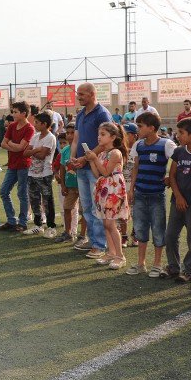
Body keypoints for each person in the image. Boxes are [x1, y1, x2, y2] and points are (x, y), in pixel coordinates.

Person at [126, 112, 176, 277]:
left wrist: (170, 177)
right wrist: (131, 188)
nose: (138, 129)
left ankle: (157, 264)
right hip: (140, 194)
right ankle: (141, 264)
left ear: (152, 128)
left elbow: (177, 160)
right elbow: (135, 168)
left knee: (158, 229)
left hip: (157, 195)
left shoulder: (166, 144)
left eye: (140, 126)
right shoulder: (138, 145)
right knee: (140, 229)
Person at [68, 84, 114, 258]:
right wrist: (73, 158)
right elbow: (76, 140)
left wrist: (85, 158)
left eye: (82, 94)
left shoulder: (102, 113)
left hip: (95, 168)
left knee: (97, 207)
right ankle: (93, 239)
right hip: (81, 166)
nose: (78, 97)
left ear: (92, 94)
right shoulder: (80, 114)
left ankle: (100, 244)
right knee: (86, 206)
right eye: (78, 94)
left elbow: (104, 143)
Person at [165, 117, 191, 284]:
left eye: (181, 132)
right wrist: (178, 196)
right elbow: (172, 175)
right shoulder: (179, 151)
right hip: (177, 201)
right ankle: (173, 267)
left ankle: (190, 271)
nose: (177, 135)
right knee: (170, 236)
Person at [84, 122, 128, 270]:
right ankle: (111, 253)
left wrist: (94, 158)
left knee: (110, 223)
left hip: (113, 189)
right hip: (104, 188)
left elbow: (106, 172)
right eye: (99, 134)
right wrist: (91, 160)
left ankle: (120, 256)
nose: (99, 137)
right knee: (105, 223)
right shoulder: (102, 153)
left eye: (103, 134)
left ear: (113, 137)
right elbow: (97, 174)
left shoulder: (115, 153)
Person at [0, 101, 34, 232]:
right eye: (12, 111)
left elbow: (21, 148)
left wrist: (12, 144)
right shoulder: (12, 126)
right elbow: (3, 144)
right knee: (3, 191)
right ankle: (11, 220)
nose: (12, 114)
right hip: (12, 165)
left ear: (24, 114)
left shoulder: (30, 128)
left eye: (15, 112)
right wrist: (15, 146)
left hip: (24, 166)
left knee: (22, 194)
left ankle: (23, 222)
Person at [24, 111, 58, 237]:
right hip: (32, 173)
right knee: (34, 200)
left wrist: (34, 151)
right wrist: (37, 149)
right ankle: (38, 225)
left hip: (45, 174)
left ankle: (51, 226)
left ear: (44, 124)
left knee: (47, 200)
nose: (35, 124)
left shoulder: (50, 137)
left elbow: (43, 156)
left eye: (37, 122)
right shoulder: (35, 136)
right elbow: (25, 153)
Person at [55, 126, 80, 244]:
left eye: (72, 133)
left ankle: (84, 235)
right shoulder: (65, 150)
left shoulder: (82, 149)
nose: (70, 136)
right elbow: (62, 168)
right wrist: (63, 185)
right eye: (68, 133)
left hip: (82, 185)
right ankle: (68, 233)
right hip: (70, 185)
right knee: (67, 208)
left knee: (86, 211)